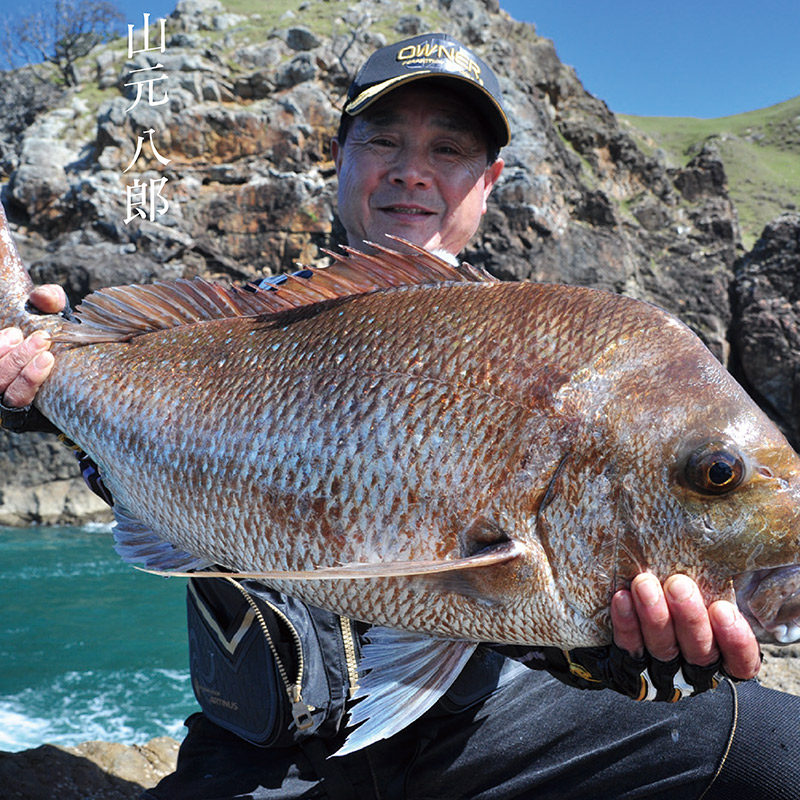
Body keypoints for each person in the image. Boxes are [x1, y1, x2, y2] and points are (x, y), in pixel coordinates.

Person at [1, 33, 798, 800]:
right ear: (340, 157)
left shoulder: (565, 348)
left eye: (448, 150)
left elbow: (537, 601)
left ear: (489, 180)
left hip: (491, 725)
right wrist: (31, 388)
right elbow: (139, 454)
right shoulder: (237, 326)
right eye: (383, 140)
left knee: (778, 752)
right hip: (269, 752)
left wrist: (634, 657)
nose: (412, 172)